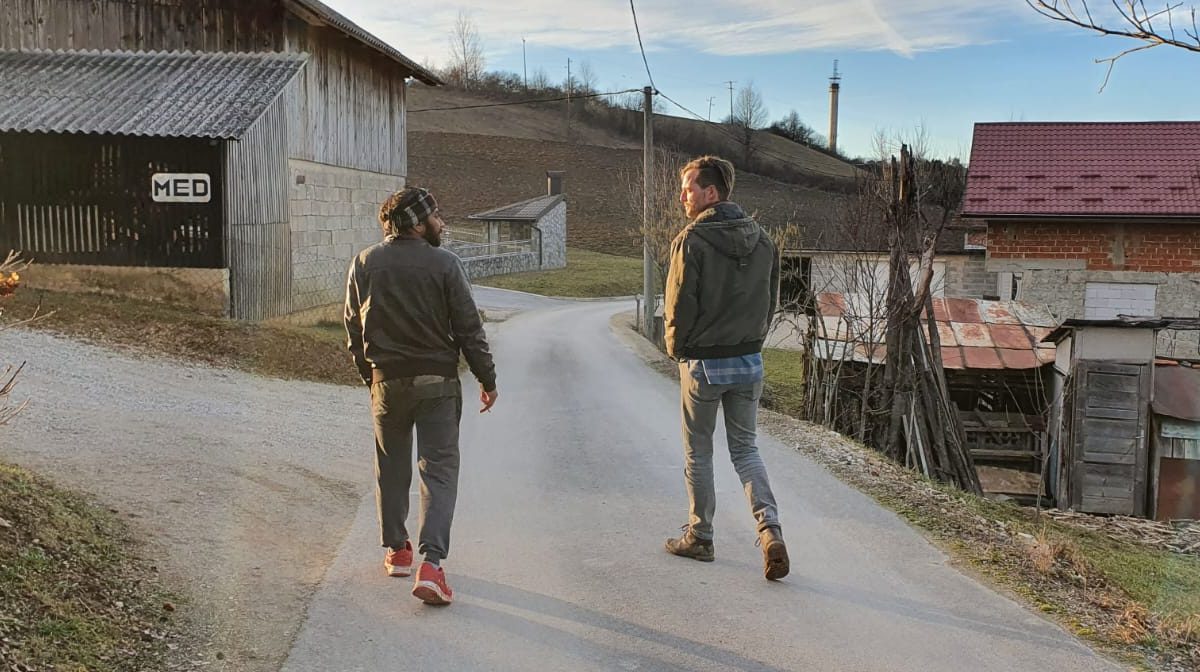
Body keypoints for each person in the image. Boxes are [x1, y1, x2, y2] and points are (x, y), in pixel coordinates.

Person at [344, 186, 498, 605]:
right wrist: (487, 378)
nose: (442, 223)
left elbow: (353, 330)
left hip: (387, 383)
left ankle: (397, 551)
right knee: (440, 472)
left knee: (390, 467)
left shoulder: (365, 262)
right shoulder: (446, 264)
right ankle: (432, 566)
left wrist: (370, 377)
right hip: (437, 384)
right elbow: (469, 328)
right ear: (416, 223)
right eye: (436, 216)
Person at [662, 155, 789, 581]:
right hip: (749, 359)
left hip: (704, 363)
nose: (683, 196)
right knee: (746, 450)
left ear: (710, 193)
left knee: (699, 450)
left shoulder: (691, 240)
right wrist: (752, 342)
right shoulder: (764, 240)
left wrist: (677, 351)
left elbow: (678, 306)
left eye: (689, 188)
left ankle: (700, 536)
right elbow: (770, 302)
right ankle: (770, 529)